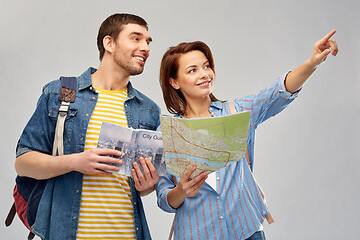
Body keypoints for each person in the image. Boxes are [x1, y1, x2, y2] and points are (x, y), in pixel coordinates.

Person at [156, 31, 338, 239]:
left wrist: (312, 62)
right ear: (174, 82)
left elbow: (278, 92)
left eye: (207, 66)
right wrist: (181, 190)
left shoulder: (238, 112)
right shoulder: (165, 133)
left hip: (247, 230)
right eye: (192, 70)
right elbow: (164, 198)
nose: (204, 74)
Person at [15, 13, 160, 240]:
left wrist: (149, 184)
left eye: (148, 41)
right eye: (136, 38)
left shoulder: (148, 110)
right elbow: (23, 163)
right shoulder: (60, 93)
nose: (146, 47)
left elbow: (140, 189)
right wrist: (76, 161)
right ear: (109, 43)